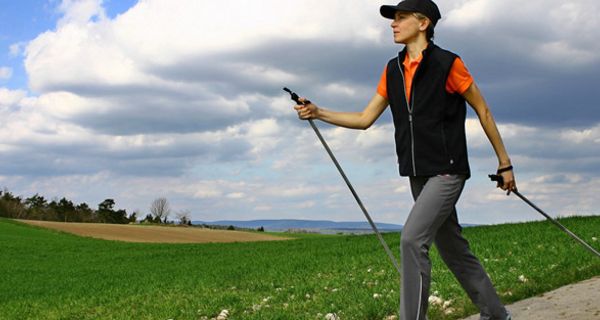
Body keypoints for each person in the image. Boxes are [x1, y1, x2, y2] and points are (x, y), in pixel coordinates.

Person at [293, 0, 515, 319]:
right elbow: (365, 117)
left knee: (411, 240)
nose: (392, 24)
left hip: (447, 171)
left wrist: (504, 163)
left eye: (400, 18)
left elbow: (483, 110)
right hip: (417, 173)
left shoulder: (448, 64)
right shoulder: (392, 69)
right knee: (454, 249)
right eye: (392, 19)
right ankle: (496, 314)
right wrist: (318, 112)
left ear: (423, 23)